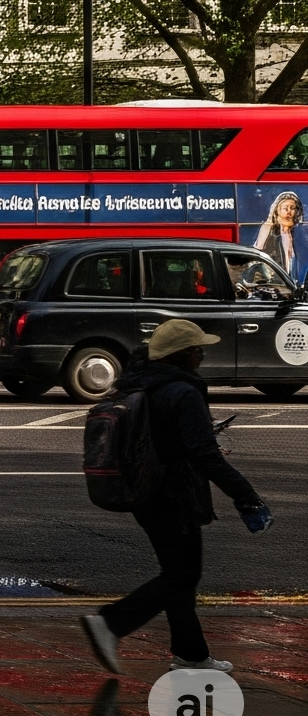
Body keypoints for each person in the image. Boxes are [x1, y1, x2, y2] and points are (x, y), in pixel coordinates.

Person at [82, 316, 272, 675]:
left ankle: (192, 654)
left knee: (178, 573)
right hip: (173, 493)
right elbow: (204, 454)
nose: (201, 354)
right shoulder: (182, 390)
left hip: (144, 489)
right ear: (181, 354)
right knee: (182, 576)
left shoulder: (140, 383)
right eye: (196, 349)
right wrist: (246, 497)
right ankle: (111, 623)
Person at [255, 191, 308, 285]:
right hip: (275, 284)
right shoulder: (268, 228)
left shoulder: (299, 232)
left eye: (292, 208)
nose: (289, 212)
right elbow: (257, 256)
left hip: (296, 285)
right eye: (285, 208)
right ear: (277, 210)